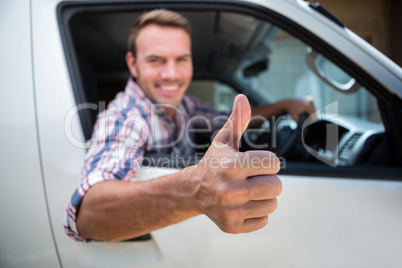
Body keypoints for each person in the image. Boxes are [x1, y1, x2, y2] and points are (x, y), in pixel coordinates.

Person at [64, 9, 315, 242]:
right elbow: (88, 215)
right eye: (156, 60)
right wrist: (196, 189)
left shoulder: (183, 105)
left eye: (181, 59)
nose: (172, 74)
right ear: (133, 64)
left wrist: (284, 104)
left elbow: (224, 118)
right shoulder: (124, 119)